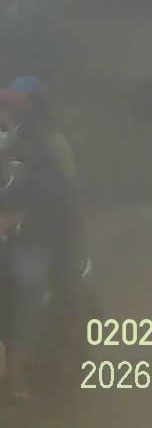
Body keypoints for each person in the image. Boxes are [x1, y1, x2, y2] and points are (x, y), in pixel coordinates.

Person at [0, 86, 86, 401]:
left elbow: (55, 194)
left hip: (27, 238)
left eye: (4, 112)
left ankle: (16, 366)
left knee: (28, 281)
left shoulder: (38, 149)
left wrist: (16, 218)